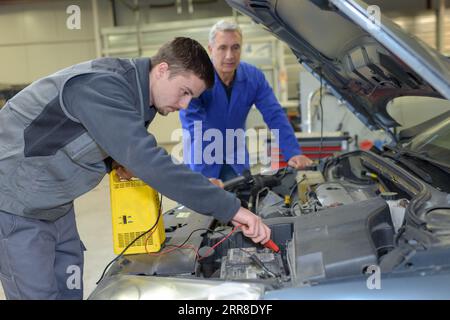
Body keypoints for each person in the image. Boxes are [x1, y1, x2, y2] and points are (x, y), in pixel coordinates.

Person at [0, 37, 271, 300]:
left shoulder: (141, 100)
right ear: (163, 69)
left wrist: (113, 161)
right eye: (185, 92)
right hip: (16, 205)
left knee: (69, 290)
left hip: (56, 201)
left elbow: (72, 137)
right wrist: (230, 208)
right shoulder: (102, 86)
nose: (185, 105)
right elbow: (150, 161)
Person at [180, 20, 313, 182]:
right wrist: (204, 177)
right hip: (201, 160)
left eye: (235, 47)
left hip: (236, 161)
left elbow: (274, 115)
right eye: (222, 48)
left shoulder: (253, 78)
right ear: (210, 49)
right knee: (200, 205)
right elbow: (195, 127)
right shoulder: (197, 78)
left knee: (245, 201)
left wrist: (293, 152)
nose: (229, 55)